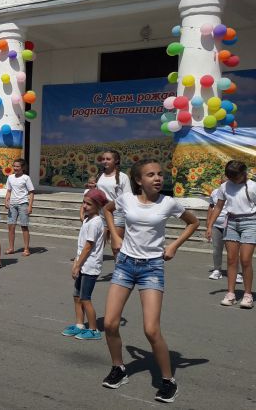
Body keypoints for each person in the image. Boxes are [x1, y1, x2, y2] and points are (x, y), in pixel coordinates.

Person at [101, 159, 198, 403]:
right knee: (111, 324)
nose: (157, 178)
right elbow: (107, 210)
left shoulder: (168, 203)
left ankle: (168, 381)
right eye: (151, 174)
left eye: (160, 174)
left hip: (152, 268)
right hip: (125, 264)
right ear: (138, 180)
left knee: (151, 329)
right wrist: (114, 236)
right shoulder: (127, 199)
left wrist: (174, 245)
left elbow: (193, 222)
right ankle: (118, 368)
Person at [206, 160, 254, 308]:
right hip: (231, 223)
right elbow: (218, 207)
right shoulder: (224, 186)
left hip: (251, 222)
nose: (233, 180)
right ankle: (231, 294)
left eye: (236, 177)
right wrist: (209, 226)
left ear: (243, 173)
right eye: (230, 177)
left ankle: (247, 295)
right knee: (232, 260)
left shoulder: (252, 186)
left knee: (245, 260)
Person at [62, 189, 108, 341]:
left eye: (88, 204)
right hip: (82, 264)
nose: (85, 206)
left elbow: (88, 246)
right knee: (77, 296)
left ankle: (93, 330)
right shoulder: (88, 219)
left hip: (90, 266)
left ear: (98, 206)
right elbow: (82, 246)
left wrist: (77, 265)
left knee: (85, 298)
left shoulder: (96, 222)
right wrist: (76, 262)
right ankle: (80, 325)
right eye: (83, 203)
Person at [207, 177, 243, 283]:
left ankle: (238, 273)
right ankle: (217, 270)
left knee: (233, 251)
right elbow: (211, 207)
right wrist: (208, 224)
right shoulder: (214, 192)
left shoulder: (236, 192)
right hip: (216, 225)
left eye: (228, 182)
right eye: (224, 182)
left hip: (231, 225)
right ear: (220, 182)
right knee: (216, 249)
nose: (226, 184)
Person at [96, 150, 132, 254]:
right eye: (103, 159)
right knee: (98, 242)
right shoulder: (100, 175)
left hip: (117, 212)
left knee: (116, 247)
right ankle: (91, 267)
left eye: (108, 159)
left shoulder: (123, 177)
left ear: (116, 161)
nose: (105, 161)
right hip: (101, 211)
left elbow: (127, 197)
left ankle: (120, 269)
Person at [5, 158, 35, 256]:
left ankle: (26, 249)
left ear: (22, 168)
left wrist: (30, 206)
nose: (15, 168)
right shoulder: (10, 177)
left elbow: (31, 192)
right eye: (14, 166)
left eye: (18, 166)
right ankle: (11, 248)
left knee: (24, 226)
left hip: (23, 204)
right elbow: (9, 190)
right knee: (11, 227)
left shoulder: (26, 178)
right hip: (12, 205)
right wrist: (6, 201)